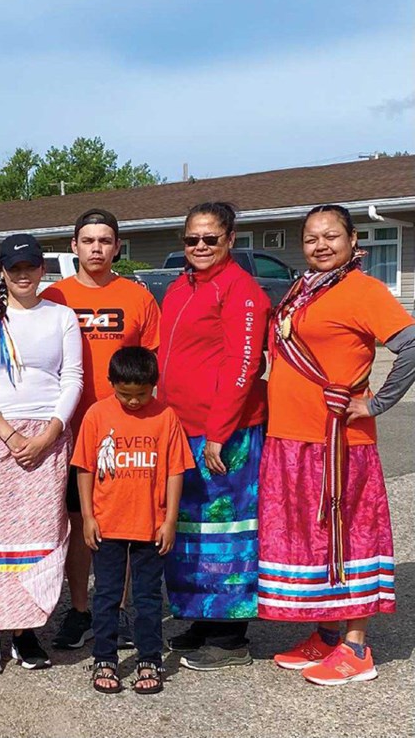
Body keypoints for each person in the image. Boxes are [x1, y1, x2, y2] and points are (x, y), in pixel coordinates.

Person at [258, 204, 415, 685]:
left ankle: (356, 646)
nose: (320, 245)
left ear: (352, 241)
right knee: (314, 539)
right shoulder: (303, 290)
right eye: (311, 238)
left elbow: (410, 344)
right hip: (290, 436)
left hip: (338, 443)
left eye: (331, 236)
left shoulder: (364, 291)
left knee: (348, 536)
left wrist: (377, 403)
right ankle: (326, 634)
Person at [0, 233, 83, 674]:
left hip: (49, 436)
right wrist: (9, 435)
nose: (24, 275)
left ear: (42, 269)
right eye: (15, 268)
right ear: (2, 272)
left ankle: (28, 630)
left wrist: (51, 432)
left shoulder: (61, 316)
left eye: (31, 266)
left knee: (40, 536)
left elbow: (72, 379)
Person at [157, 202, 270, 671]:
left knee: (226, 529)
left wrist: (221, 434)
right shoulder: (181, 286)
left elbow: (242, 367)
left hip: (225, 433)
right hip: (182, 429)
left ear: (230, 240)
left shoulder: (242, 291)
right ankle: (202, 616)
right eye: (192, 239)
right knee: (191, 531)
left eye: (210, 239)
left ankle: (230, 636)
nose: (200, 246)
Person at [41, 208, 161, 650]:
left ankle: (120, 609)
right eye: (87, 240)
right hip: (67, 428)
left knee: (121, 525)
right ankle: (80, 609)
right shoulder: (54, 295)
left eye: (105, 241)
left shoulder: (138, 297)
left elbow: (152, 365)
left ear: (116, 247)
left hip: (123, 429)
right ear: (73, 246)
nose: (96, 248)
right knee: (77, 523)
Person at [72, 347, 191, 694]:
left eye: (142, 394)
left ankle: (149, 658)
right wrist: (88, 517)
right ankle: (105, 657)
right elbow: (85, 468)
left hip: (150, 527)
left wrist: (169, 519)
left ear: (154, 386)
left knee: (149, 597)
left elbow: (174, 471)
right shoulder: (97, 414)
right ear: (111, 384)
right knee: (107, 595)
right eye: (125, 394)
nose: (135, 401)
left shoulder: (166, 416)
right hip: (107, 525)